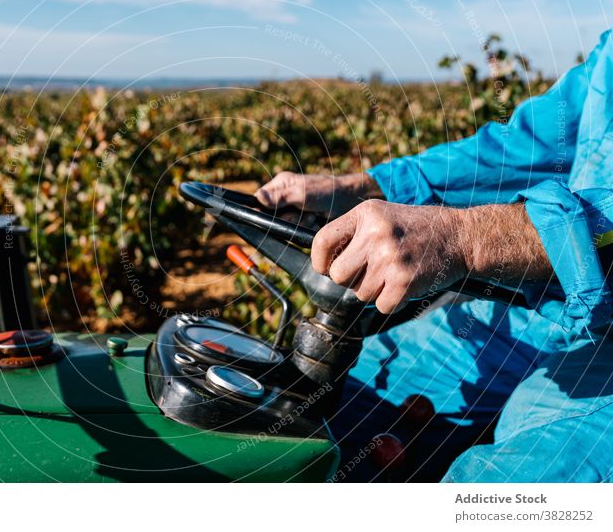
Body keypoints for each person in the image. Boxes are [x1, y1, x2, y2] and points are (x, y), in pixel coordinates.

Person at [255, 31, 613, 482]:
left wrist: (466, 238)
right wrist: (362, 186)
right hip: (543, 307)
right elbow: (514, 151)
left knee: (498, 488)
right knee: (330, 402)